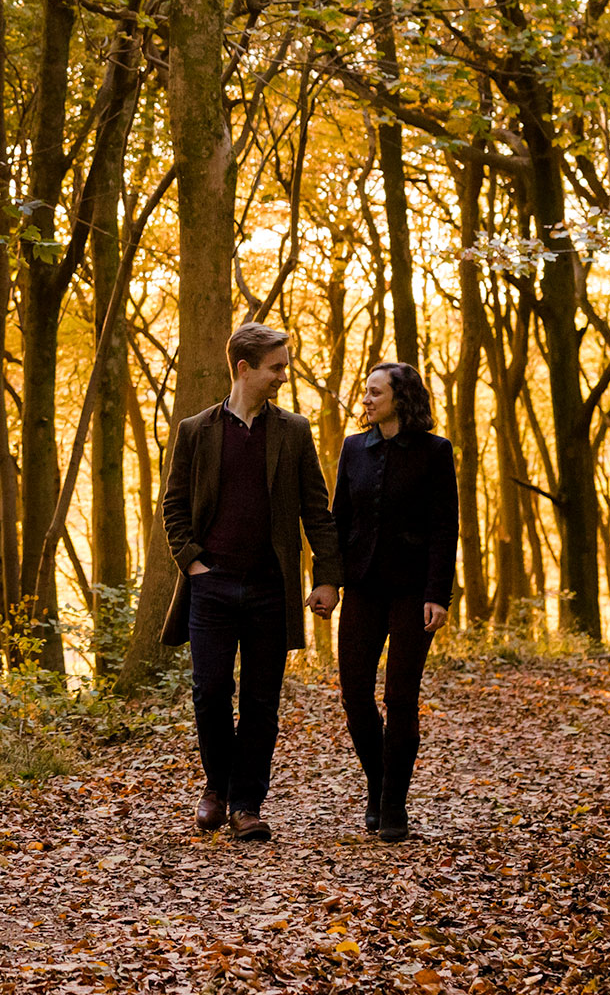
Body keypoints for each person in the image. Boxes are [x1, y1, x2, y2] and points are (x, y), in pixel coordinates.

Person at [159, 323, 340, 842]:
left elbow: (316, 509)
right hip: (210, 588)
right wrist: (193, 562)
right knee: (210, 692)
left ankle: (246, 805)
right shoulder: (196, 430)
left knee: (262, 702)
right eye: (276, 367)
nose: (284, 375)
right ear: (244, 368)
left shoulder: (293, 431)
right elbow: (174, 506)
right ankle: (216, 787)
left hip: (269, 590)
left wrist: (327, 578)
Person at [325, 360, 459, 843]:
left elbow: (446, 528)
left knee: (401, 699)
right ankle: (378, 784)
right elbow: (339, 519)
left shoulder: (435, 452)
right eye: (365, 392)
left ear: (400, 398)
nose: (366, 399)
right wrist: (328, 582)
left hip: (412, 592)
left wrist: (437, 595)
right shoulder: (353, 449)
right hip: (361, 588)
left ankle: (393, 805)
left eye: (375, 392)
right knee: (355, 695)